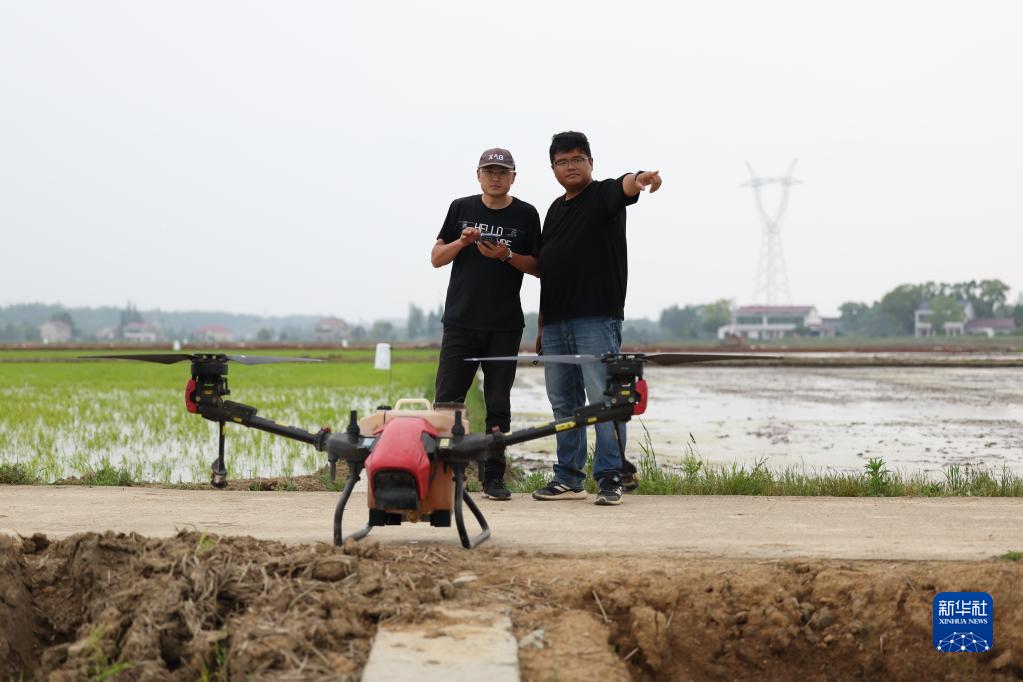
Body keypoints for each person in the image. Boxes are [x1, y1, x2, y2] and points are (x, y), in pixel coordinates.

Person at [531, 131, 662, 506]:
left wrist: (640, 178)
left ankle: (610, 476)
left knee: (605, 400)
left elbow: (626, 185)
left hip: (596, 320)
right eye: (562, 161)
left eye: (577, 159)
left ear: (591, 162)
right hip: (555, 323)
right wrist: (541, 324)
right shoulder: (554, 210)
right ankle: (568, 478)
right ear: (553, 168)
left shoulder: (603, 194)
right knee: (563, 403)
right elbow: (549, 269)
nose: (570, 166)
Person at [431, 147, 541, 500]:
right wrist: (462, 242)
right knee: (448, 401)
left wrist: (505, 255)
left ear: (513, 177)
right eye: (489, 171)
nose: (496, 177)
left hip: (504, 325)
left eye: (502, 172)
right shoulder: (460, 208)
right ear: (478, 175)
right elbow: (436, 258)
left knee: (498, 403)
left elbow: (538, 267)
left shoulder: (526, 214)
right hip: (460, 322)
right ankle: (444, 475)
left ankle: (493, 477)